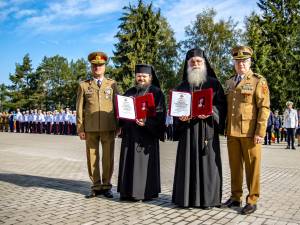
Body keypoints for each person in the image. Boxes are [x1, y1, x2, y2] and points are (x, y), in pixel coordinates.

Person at [172, 48, 227, 209]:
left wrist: (211, 112)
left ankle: (208, 200)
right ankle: (186, 199)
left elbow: (222, 106)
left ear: (204, 64)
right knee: (187, 163)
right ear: (188, 65)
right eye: (192, 62)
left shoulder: (214, 84)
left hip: (206, 130)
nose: (195, 64)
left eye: (198, 61)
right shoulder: (182, 86)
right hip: (188, 132)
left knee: (208, 163)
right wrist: (179, 117)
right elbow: (176, 108)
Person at [223, 46, 270, 215]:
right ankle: (236, 197)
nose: (240, 64)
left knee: (252, 167)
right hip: (232, 132)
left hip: (250, 133)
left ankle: (252, 199)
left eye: (244, 61)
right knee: (235, 167)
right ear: (234, 63)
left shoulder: (258, 81)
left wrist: (260, 132)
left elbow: (264, 108)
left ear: (250, 62)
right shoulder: (229, 82)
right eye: (237, 61)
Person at [117, 64, 166, 201]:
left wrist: (147, 123)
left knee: (145, 166)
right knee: (129, 162)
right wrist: (120, 120)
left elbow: (161, 114)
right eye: (139, 76)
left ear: (150, 77)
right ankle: (127, 192)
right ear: (135, 77)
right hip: (130, 135)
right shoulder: (129, 92)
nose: (141, 78)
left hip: (147, 136)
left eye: (144, 76)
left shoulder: (156, 93)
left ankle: (146, 193)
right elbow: (121, 113)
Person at [76, 51, 119, 198]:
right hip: (90, 128)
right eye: (94, 65)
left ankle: (106, 186)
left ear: (105, 66)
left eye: (100, 65)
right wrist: (80, 128)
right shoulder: (83, 85)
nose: (97, 68)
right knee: (92, 157)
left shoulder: (112, 84)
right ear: (91, 67)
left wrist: (119, 125)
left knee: (108, 158)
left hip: (109, 127)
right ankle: (96, 186)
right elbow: (79, 107)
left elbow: (117, 105)